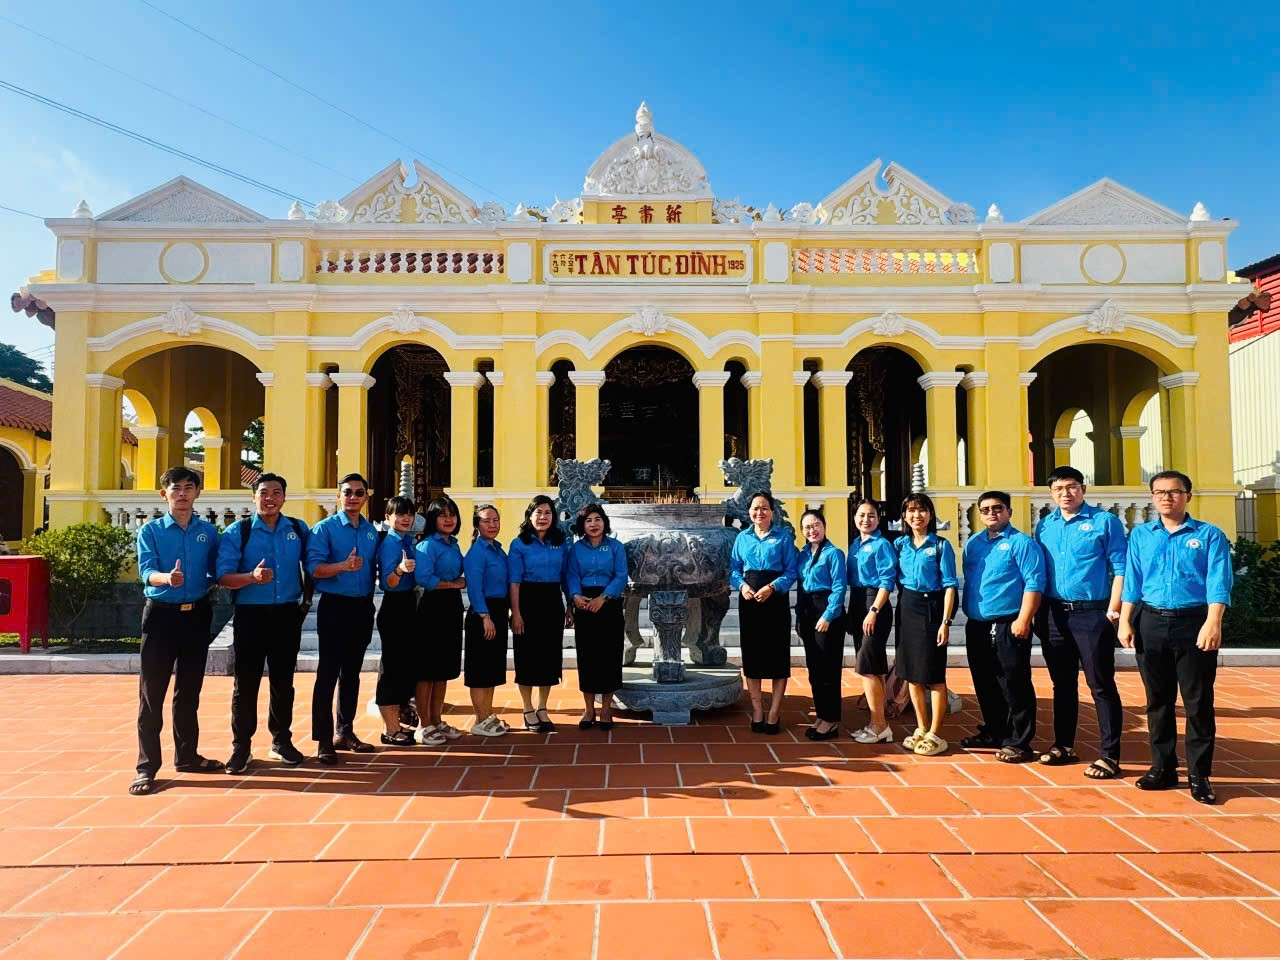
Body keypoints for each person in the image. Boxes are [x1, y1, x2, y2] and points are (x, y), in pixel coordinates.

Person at [1119, 470, 1233, 805]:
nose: (1166, 498)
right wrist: (1125, 621)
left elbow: (1218, 582)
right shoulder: (1141, 535)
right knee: (1158, 700)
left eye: (1174, 492)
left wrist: (1213, 622)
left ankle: (1199, 775)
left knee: (1197, 702)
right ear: (1152, 497)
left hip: (1193, 622)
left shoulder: (1209, 535)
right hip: (1151, 622)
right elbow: (1133, 581)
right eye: (1159, 492)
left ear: (1187, 496)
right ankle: (1163, 768)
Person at [130, 466, 224, 795]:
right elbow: (146, 571)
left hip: (197, 616)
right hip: (161, 617)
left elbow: (218, 569)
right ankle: (146, 768)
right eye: (175, 488)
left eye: (188, 487)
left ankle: (187, 756)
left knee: (189, 691)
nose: (182, 493)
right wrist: (166, 578)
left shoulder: (208, 532)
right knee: (151, 694)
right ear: (164, 494)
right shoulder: (151, 531)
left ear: (197, 493)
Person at [1033, 466, 1127, 779]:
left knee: (1100, 684)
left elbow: (1121, 568)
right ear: (1051, 493)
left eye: (1072, 487)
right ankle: (1064, 745)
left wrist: (1113, 610)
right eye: (1059, 488)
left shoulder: (1104, 522)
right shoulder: (1045, 525)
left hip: (1092, 613)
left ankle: (1110, 755)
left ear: (1083, 489)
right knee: (1062, 683)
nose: (1066, 493)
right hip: (1054, 614)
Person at [217, 472, 312, 774]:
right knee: (246, 683)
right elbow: (224, 578)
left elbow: (311, 565)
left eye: (276, 492)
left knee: (283, 681)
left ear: (284, 497)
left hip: (287, 614)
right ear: (253, 497)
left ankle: (281, 740)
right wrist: (251, 577)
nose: (270, 498)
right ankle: (241, 747)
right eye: (264, 493)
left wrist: (306, 602)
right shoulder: (239, 531)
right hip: (251, 615)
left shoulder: (297, 528)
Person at [961, 490, 1046, 763]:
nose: (991, 513)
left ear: (1009, 511)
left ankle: (1020, 741)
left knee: (1014, 683)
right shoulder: (973, 543)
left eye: (997, 508)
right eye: (985, 509)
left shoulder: (1022, 543)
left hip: (1009, 623)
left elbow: (1034, 583)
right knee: (985, 682)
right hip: (977, 625)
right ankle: (994, 731)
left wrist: (1024, 619)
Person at [305, 473, 381, 764]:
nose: (353, 497)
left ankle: (345, 731)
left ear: (366, 497)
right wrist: (343, 566)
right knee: (327, 674)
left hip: (362, 607)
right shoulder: (324, 529)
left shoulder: (371, 532)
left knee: (352, 673)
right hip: (334, 607)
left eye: (359, 493)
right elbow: (314, 568)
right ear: (338, 496)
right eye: (347, 492)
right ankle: (324, 740)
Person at [893, 493, 958, 756]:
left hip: (932, 608)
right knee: (911, 673)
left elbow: (950, 586)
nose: (916, 515)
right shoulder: (899, 544)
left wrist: (946, 622)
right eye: (910, 510)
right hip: (907, 607)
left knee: (934, 674)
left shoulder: (941, 545)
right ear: (904, 516)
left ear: (930, 515)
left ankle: (935, 733)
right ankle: (921, 727)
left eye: (921, 510)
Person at [729, 491, 799, 734]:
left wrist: (773, 587)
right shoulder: (742, 538)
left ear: (772, 511)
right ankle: (757, 710)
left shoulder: (783, 537)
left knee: (778, 656)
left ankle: (774, 712)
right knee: (753, 654)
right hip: (749, 599)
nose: (759, 512)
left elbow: (792, 571)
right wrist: (742, 586)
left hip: (775, 599)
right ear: (749, 512)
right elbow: (734, 569)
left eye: (764, 508)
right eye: (755, 508)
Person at [509, 495, 571, 733]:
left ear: (553, 516)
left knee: (549, 657)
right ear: (529, 515)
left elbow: (565, 577)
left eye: (547, 513)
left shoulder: (560, 543)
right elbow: (514, 582)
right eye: (538, 512)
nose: (543, 517)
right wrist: (516, 613)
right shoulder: (519, 544)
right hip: (527, 602)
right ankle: (527, 708)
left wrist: (569, 606)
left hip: (552, 602)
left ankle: (542, 707)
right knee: (526, 657)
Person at [566, 503, 629, 730]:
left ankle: (606, 709)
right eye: (588, 520)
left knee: (610, 655)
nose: (593, 524)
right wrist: (575, 596)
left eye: (597, 519)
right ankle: (589, 709)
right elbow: (571, 574)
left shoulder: (615, 547)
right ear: (582, 525)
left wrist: (603, 598)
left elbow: (621, 575)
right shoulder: (576, 549)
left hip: (609, 604)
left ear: (604, 522)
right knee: (587, 656)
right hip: (584, 603)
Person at [414, 496, 467, 743]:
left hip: (451, 606)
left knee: (443, 668)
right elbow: (425, 579)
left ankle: (437, 719)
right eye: (442, 515)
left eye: (452, 514)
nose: (448, 519)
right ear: (433, 519)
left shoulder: (453, 544)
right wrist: (454, 584)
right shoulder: (427, 545)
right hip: (432, 607)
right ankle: (423, 724)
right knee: (427, 669)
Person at [846, 498, 898, 744]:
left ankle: (879, 725)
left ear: (878, 519)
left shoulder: (882, 544)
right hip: (857, 602)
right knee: (874, 666)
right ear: (854, 518)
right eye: (861, 515)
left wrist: (874, 610)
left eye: (871, 515)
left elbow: (887, 581)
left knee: (866, 666)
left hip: (874, 603)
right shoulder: (855, 544)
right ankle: (878, 723)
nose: (866, 519)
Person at [794, 508, 848, 741]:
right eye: (807, 527)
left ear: (824, 526)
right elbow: (800, 586)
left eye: (816, 525)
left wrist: (828, 615)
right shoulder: (803, 555)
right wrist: (799, 617)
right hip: (808, 611)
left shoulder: (834, 553)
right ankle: (822, 714)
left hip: (827, 612)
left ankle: (831, 719)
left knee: (828, 668)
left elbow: (839, 587)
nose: (812, 530)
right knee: (814, 668)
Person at [374, 496, 420, 746]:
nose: (406, 518)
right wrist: (400, 569)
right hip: (395, 607)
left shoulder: (406, 541)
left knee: (403, 667)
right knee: (391, 669)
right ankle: (390, 729)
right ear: (387, 517)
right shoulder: (390, 544)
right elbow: (388, 583)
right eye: (400, 514)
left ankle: (398, 723)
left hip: (408, 605)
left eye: (409, 514)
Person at [464, 504, 511, 737]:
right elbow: (474, 588)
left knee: (492, 668)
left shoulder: (499, 550)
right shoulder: (476, 553)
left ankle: (488, 715)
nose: (492, 525)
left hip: (499, 611)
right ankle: (479, 718)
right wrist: (485, 616)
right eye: (486, 521)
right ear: (477, 525)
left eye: (495, 520)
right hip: (483, 614)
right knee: (479, 669)